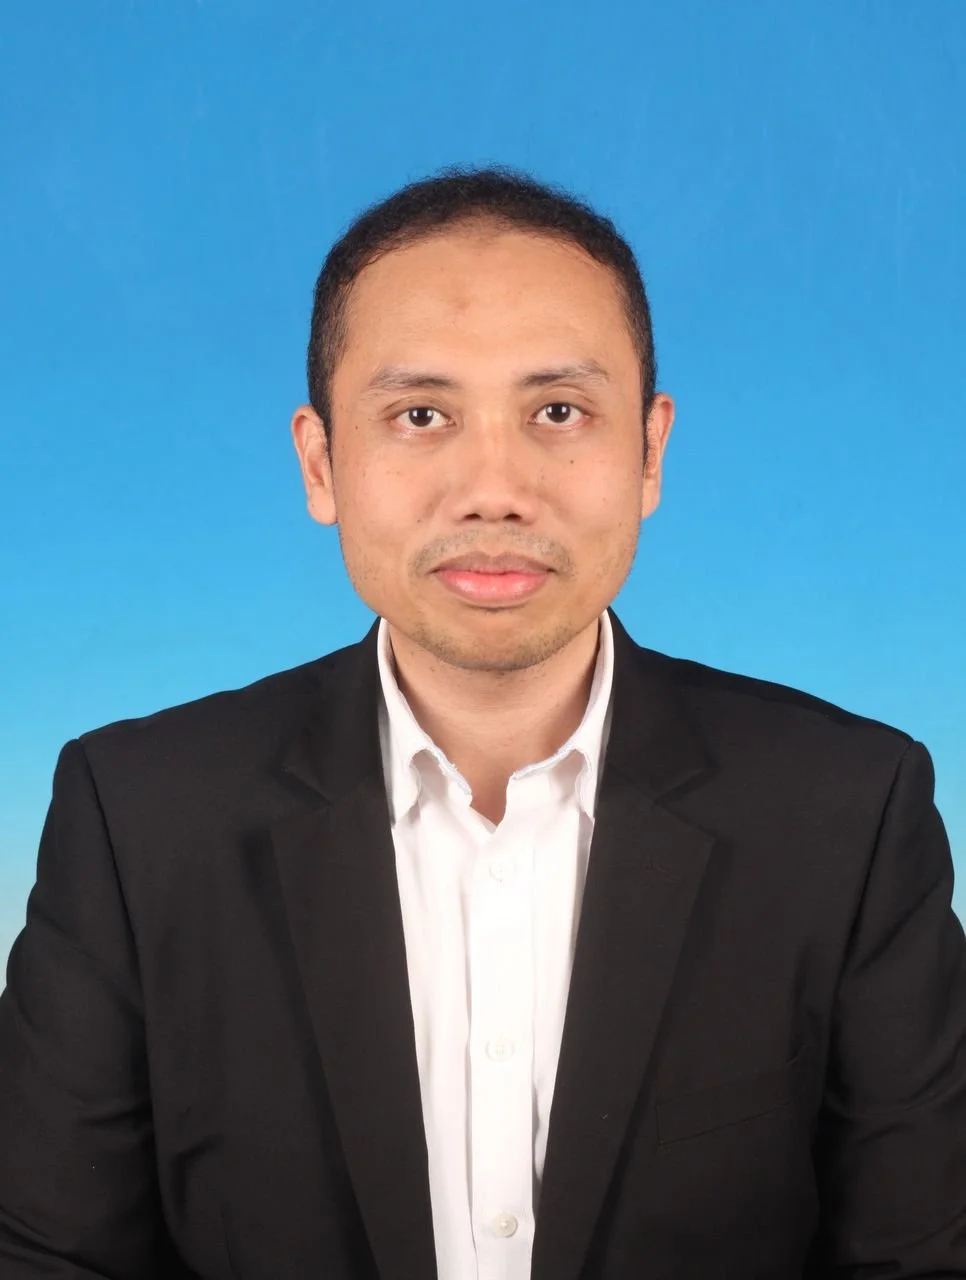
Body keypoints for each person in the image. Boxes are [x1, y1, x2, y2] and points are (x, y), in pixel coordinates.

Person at [1, 165, 964, 1280]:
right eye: (421, 415)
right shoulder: (139, 818)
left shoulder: (846, 812)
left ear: (650, 451)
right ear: (321, 462)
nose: (494, 488)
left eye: (559, 411)